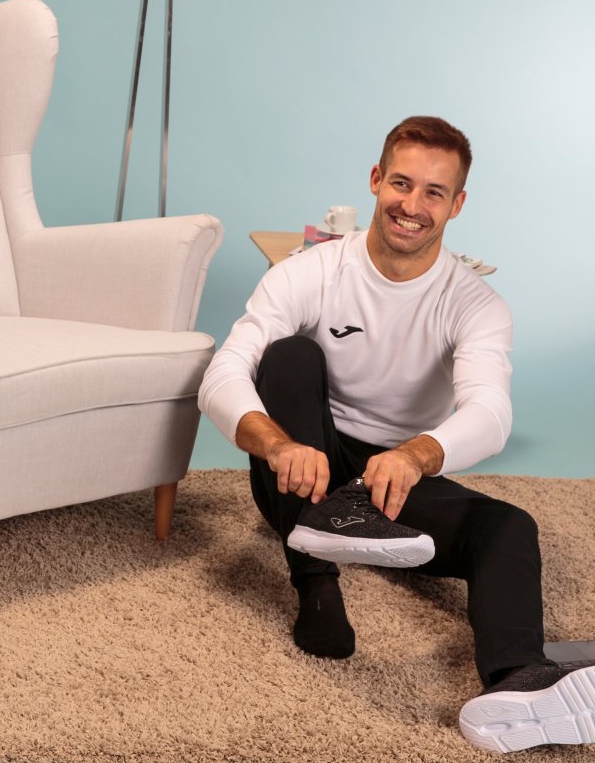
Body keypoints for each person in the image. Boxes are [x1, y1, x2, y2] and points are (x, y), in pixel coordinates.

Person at [198, 116, 595, 753]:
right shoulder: (310, 271)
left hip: (387, 477)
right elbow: (224, 372)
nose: (412, 205)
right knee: (288, 356)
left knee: (509, 527)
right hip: (306, 461)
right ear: (376, 180)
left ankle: (519, 680)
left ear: (456, 205)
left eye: (434, 192)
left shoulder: (475, 303)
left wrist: (415, 455)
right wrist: (278, 445)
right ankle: (316, 580)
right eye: (402, 184)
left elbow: (491, 413)